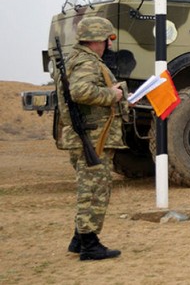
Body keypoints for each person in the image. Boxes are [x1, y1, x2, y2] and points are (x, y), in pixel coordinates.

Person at [56, 17, 126, 261]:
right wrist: (111, 94)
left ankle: (79, 239)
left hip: (92, 134)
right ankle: (90, 244)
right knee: (94, 189)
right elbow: (80, 91)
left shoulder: (79, 60)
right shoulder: (86, 62)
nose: (108, 43)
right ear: (97, 40)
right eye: (106, 39)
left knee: (92, 185)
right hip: (92, 136)